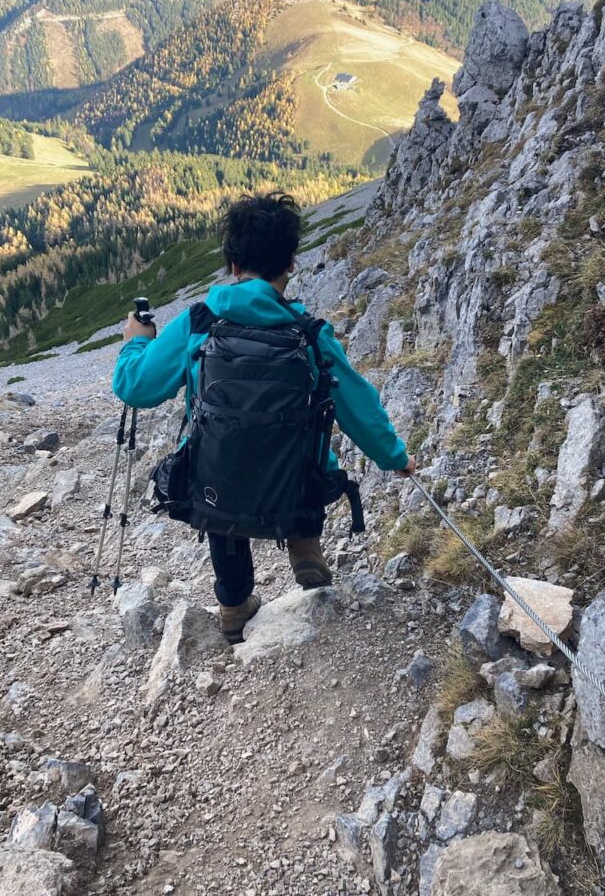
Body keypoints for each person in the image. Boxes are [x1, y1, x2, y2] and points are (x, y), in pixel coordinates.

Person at [113, 191, 416, 642]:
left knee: (216, 469)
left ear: (233, 265)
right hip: (293, 484)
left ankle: (234, 604)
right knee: (313, 453)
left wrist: (136, 341)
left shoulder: (199, 322)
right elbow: (357, 404)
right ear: (290, 263)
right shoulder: (309, 332)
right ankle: (304, 545)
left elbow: (135, 386)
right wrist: (395, 458)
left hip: (221, 485)